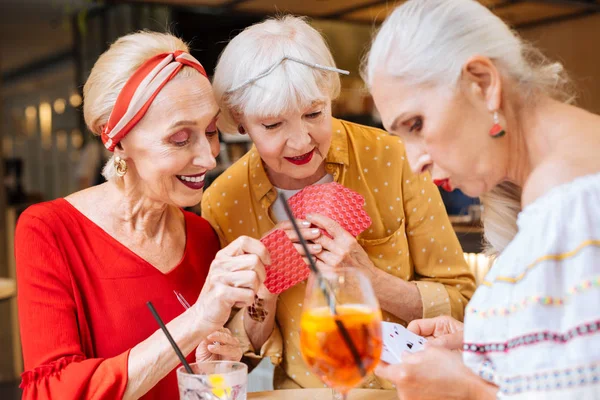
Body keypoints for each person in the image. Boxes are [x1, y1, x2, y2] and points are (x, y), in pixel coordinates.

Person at [202, 16, 476, 390]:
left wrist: (371, 279)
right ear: (239, 120)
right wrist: (264, 291)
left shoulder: (393, 159)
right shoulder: (224, 200)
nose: (301, 142)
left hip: (407, 390)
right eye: (272, 125)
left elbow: (463, 303)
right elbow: (241, 352)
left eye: (314, 114)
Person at [364, 0, 600, 398]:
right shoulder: (560, 175)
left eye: (416, 124)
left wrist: (467, 390)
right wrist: (483, 346)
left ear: (483, 83)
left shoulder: (567, 196)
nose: (414, 160)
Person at [15, 31, 269, 400]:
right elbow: (50, 392)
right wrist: (195, 322)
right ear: (117, 140)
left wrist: (221, 360)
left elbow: (206, 378)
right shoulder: (49, 230)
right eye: (180, 139)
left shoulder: (202, 236)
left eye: (211, 131)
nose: (209, 157)